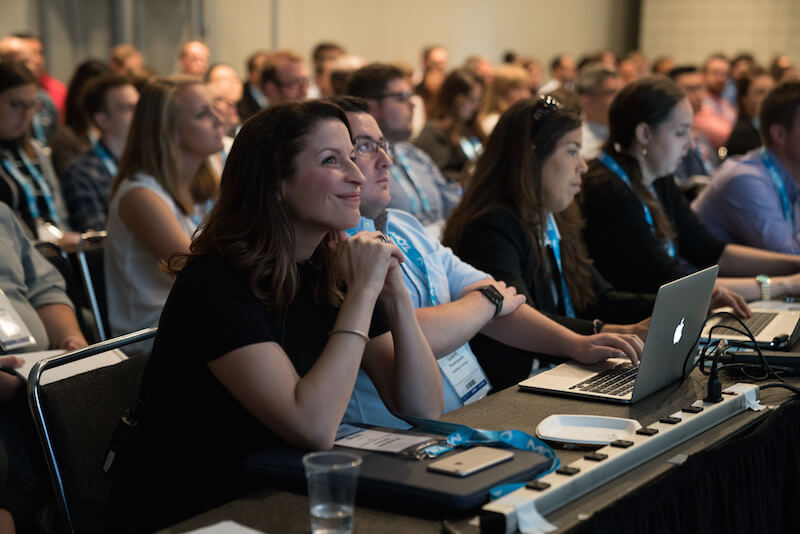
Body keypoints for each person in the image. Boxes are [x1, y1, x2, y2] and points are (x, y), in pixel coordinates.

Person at [112, 100, 442, 531]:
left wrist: (394, 295)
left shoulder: (325, 266)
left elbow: (423, 409)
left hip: (283, 491)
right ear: (275, 183)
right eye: (331, 160)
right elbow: (312, 426)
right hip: (205, 510)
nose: (357, 174)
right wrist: (362, 293)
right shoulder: (215, 282)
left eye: (351, 156)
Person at [332, 96, 644, 414]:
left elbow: (499, 300)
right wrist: (486, 304)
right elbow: (407, 332)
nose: (387, 160)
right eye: (365, 146)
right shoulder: (338, 251)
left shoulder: (405, 226)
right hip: (393, 437)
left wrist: (576, 343)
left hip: (469, 410)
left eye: (383, 145)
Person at [440, 96, 660, 389]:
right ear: (532, 158)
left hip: (560, 370)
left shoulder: (555, 216)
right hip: (514, 387)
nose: (582, 166)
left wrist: (663, 308)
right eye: (572, 151)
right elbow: (522, 317)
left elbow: (597, 296)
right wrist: (607, 331)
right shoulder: (490, 227)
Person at [580, 76, 800, 302]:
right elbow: (675, 283)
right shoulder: (608, 192)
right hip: (635, 324)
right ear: (644, 134)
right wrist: (785, 284)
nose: (690, 143)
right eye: (680, 133)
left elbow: (711, 252)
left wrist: (794, 264)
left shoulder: (658, 179)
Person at [104, 76, 222, 338]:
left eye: (215, 108)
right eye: (203, 113)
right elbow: (198, 275)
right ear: (168, 129)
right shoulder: (140, 196)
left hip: (197, 321)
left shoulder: (204, 185)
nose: (219, 120)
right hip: (151, 338)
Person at [347, 63, 460, 234]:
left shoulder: (416, 155)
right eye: (401, 97)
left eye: (411, 96)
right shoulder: (357, 165)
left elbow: (454, 207)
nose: (412, 105)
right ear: (371, 107)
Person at [692, 81, 800, 254]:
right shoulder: (745, 179)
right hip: (705, 280)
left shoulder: (790, 175)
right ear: (779, 134)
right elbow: (789, 257)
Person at [0, 61, 75, 245]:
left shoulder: (35, 151)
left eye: (32, 105)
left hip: (53, 254)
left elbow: (59, 209)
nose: (26, 114)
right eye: (16, 104)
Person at [60, 74, 138, 232]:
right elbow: (97, 238)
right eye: (129, 108)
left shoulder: (147, 163)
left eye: (140, 106)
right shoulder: (81, 173)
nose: (140, 115)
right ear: (102, 120)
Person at [414, 69, 485, 182]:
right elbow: (437, 177)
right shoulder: (434, 133)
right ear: (455, 99)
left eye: (478, 101)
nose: (476, 107)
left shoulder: (472, 130)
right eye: (472, 100)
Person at [724, 66, 774, 157]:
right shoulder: (741, 134)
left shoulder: (776, 127)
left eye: (772, 91)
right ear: (744, 98)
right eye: (760, 92)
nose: (768, 97)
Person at [576, 64, 622, 160]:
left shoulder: (624, 133)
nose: (620, 99)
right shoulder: (579, 144)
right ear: (586, 100)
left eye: (620, 92)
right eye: (611, 93)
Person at [694, 54, 736, 152]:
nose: (721, 79)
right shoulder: (698, 101)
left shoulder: (724, 102)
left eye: (724, 74)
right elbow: (725, 136)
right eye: (715, 73)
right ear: (703, 75)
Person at [478, 64, 531, 135]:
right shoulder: (494, 122)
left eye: (526, 88)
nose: (526, 95)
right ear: (501, 91)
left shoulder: (515, 117)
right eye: (518, 88)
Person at [237, 49, 270, 122]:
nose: (267, 75)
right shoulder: (239, 96)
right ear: (251, 74)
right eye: (263, 70)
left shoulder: (277, 93)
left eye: (269, 70)